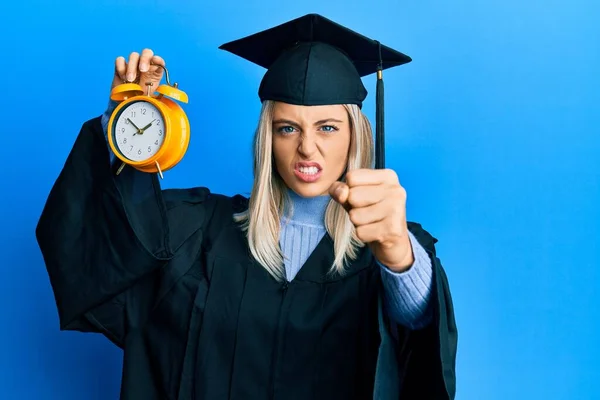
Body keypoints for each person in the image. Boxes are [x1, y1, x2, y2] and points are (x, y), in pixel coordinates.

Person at [36, 13, 457, 400]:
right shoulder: (199, 232)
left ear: (356, 135)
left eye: (327, 127)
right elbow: (95, 257)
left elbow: (418, 338)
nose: (306, 147)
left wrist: (399, 255)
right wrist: (129, 128)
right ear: (267, 137)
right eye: (287, 127)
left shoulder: (387, 246)